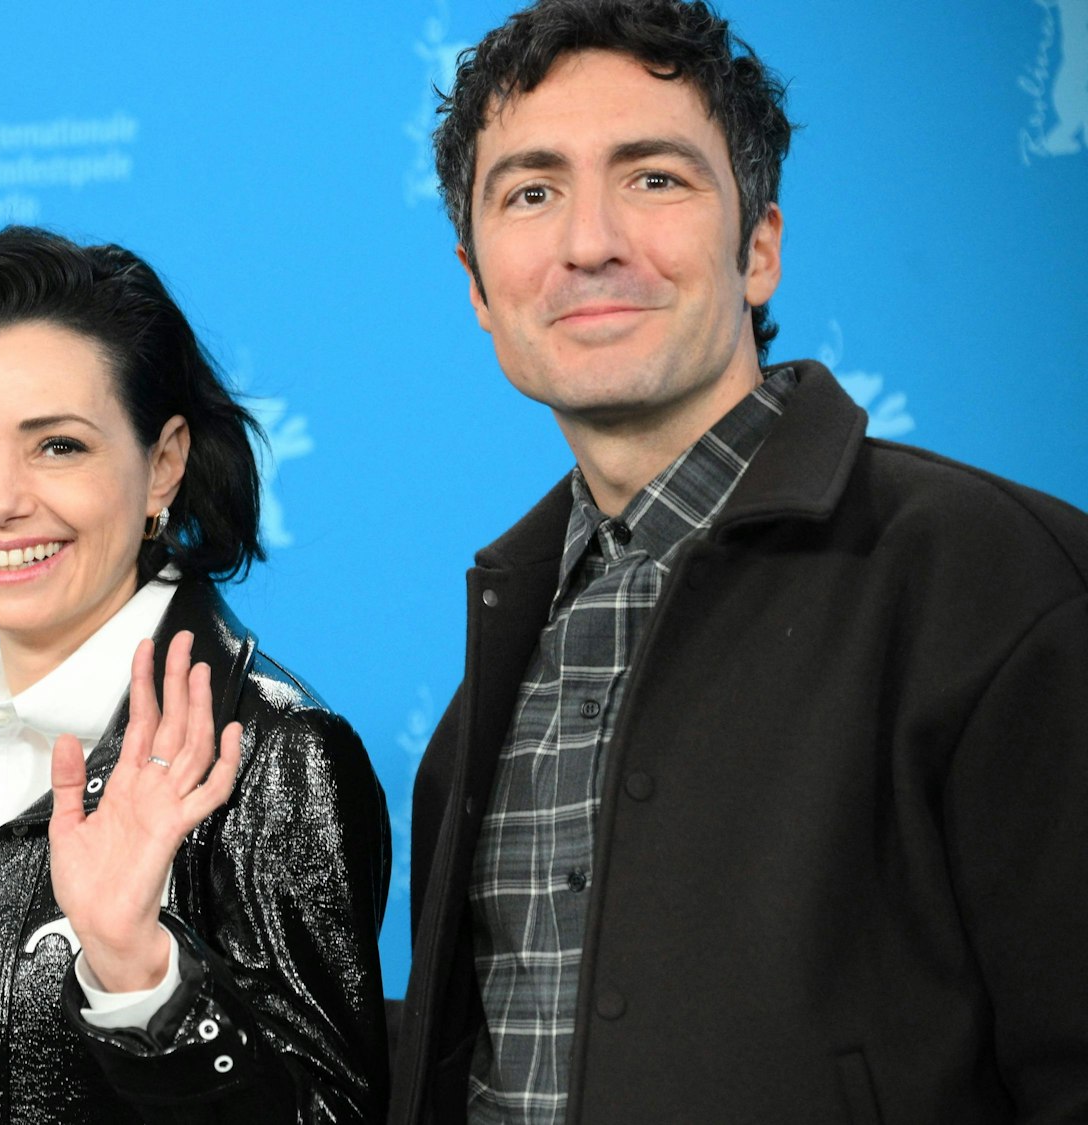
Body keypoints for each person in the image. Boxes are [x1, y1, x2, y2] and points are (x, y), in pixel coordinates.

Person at [387, 2, 1088, 1122]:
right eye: (531, 193)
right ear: (478, 284)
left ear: (758, 248)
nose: (588, 242)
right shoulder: (494, 679)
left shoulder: (999, 582)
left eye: (653, 179)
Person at [0, 226, 391, 1123]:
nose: (0, 500)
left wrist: (140, 974)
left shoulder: (270, 753)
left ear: (164, 464)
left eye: (58, 445)